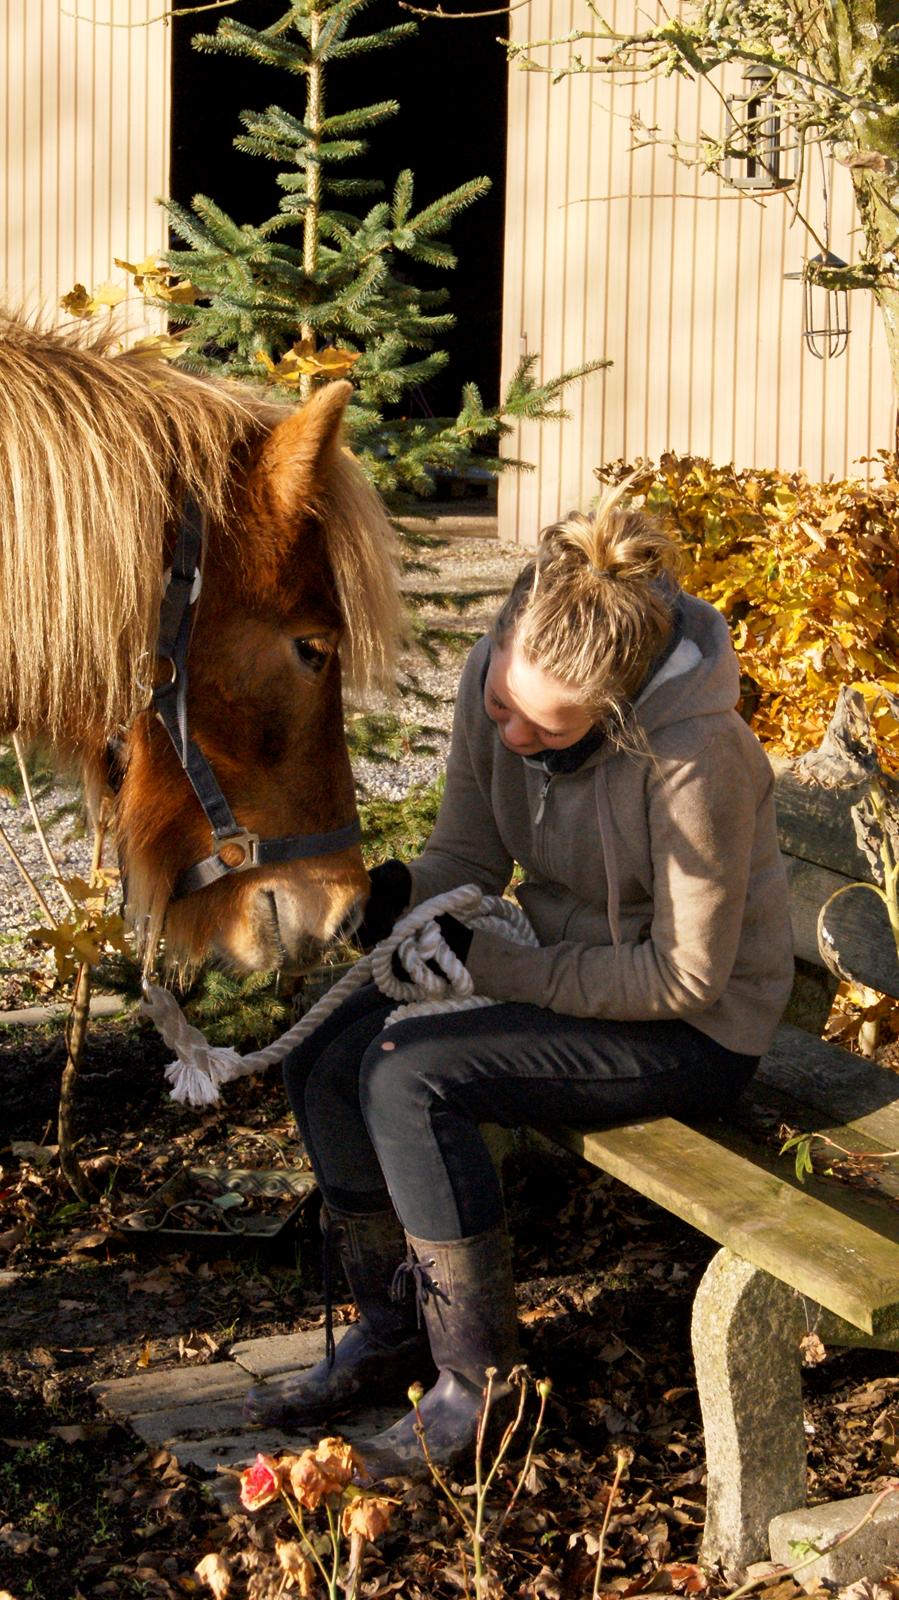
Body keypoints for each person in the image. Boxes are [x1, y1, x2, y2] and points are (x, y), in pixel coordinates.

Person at [243, 482, 795, 1479]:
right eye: (503, 704)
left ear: (615, 711)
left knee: (409, 1074)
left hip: (695, 1027)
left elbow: (683, 975)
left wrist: (494, 964)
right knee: (327, 1056)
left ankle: (475, 1391)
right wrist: (390, 895)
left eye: (542, 730)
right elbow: (470, 851)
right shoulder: (493, 676)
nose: (510, 736)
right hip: (561, 973)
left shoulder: (691, 755)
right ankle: (392, 1326)